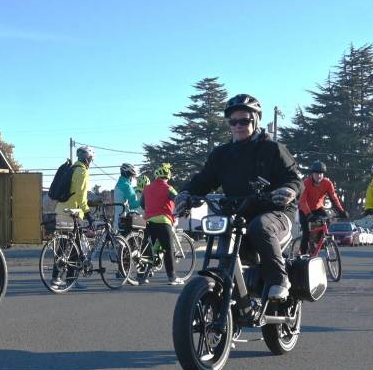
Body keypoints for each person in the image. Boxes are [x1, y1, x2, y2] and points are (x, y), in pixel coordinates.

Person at [177, 94, 302, 301]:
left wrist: (289, 190)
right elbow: (204, 180)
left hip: (276, 213)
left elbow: (294, 179)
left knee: (259, 227)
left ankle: (279, 280)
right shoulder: (222, 154)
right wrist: (187, 193)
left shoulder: (273, 149)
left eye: (244, 120)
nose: (238, 126)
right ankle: (235, 295)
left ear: (256, 120)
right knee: (226, 235)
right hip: (238, 213)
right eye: (233, 122)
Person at [142, 163, 184, 285]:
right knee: (168, 249)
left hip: (148, 221)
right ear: (167, 177)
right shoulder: (169, 188)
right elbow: (178, 199)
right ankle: (172, 277)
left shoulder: (147, 188)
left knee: (148, 250)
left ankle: (142, 277)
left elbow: (142, 204)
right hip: (164, 221)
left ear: (156, 177)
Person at [297, 161, 349, 255]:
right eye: (316, 173)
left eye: (321, 173)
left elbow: (334, 198)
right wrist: (309, 214)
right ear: (312, 174)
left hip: (318, 208)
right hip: (304, 210)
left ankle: (318, 240)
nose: (319, 176)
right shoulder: (306, 183)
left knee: (327, 220)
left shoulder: (327, 183)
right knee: (306, 233)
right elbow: (302, 201)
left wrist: (341, 211)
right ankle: (303, 255)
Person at [56, 146, 93, 222]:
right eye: (90, 159)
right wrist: (87, 212)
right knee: (89, 231)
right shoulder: (83, 172)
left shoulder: (71, 169)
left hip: (60, 210)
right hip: (72, 213)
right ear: (87, 159)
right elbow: (80, 195)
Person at [113, 163, 141, 227]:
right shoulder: (126, 186)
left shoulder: (118, 185)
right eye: (131, 176)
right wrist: (143, 199)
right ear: (128, 175)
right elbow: (133, 204)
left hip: (117, 218)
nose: (132, 178)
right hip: (124, 219)